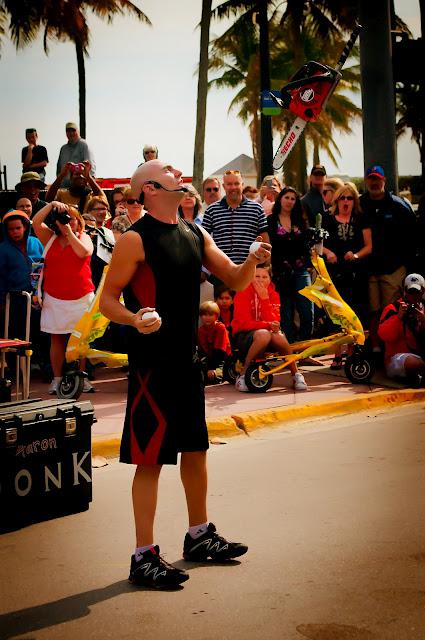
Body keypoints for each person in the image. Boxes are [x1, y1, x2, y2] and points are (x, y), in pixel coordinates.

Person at [99, 158, 271, 590]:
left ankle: (199, 535)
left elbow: (232, 277)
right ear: (151, 188)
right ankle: (144, 557)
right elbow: (107, 301)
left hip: (187, 359)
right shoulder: (134, 240)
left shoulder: (196, 231)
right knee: (150, 458)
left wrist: (253, 257)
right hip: (151, 365)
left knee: (196, 448)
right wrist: (135, 318)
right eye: (168, 169)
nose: (179, 171)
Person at [32, 201, 95, 394]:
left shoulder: (84, 237)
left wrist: (69, 232)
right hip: (54, 297)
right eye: (65, 219)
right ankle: (57, 379)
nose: (69, 222)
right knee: (57, 339)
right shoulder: (49, 238)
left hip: (82, 297)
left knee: (82, 339)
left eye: (73, 219)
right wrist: (51, 205)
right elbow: (35, 222)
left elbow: (83, 252)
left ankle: (82, 377)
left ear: (79, 222)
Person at [359, 165, 417, 364]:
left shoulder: (399, 206)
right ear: (366, 181)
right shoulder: (361, 204)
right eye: (371, 179)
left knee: (391, 310)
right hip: (369, 269)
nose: (374, 183)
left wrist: (407, 265)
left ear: (384, 181)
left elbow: (412, 238)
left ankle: (391, 351)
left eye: (378, 179)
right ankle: (376, 350)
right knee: (373, 312)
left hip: (393, 269)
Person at [231, 266, 308, 392]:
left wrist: (265, 299)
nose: (261, 280)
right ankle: (243, 374)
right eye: (257, 276)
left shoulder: (273, 295)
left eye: (264, 277)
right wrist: (267, 325)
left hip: (268, 335)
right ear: (251, 278)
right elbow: (244, 323)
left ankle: (296, 375)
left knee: (278, 335)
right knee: (264, 334)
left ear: (270, 279)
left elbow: (275, 322)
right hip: (244, 335)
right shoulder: (242, 292)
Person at [322, 182, 372, 369]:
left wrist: (356, 255)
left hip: (355, 273)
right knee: (336, 314)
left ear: (354, 201)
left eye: (349, 198)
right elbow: (318, 243)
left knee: (353, 314)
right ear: (337, 200)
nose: (345, 201)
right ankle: (336, 354)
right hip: (335, 273)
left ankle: (350, 355)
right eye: (342, 197)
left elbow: (369, 246)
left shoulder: (361, 219)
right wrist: (328, 252)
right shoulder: (328, 219)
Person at [0, 210, 49, 376]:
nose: (15, 232)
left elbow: (45, 265)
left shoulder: (35, 242)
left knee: (41, 332)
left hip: (37, 296)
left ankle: (43, 366)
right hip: (15, 299)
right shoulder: (3, 249)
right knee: (17, 334)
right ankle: (18, 371)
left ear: (25, 227)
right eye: (11, 229)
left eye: (18, 228)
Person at [267, 187, 314, 343]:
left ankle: (306, 348)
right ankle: (290, 348)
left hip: (301, 271)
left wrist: (308, 264)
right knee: (285, 313)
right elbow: (270, 246)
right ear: (280, 198)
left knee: (307, 311)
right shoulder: (271, 220)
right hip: (281, 273)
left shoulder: (301, 220)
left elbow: (307, 244)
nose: (289, 201)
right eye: (286, 197)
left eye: (293, 198)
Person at [202, 170, 270, 265]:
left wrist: (266, 265)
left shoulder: (257, 209)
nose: (233, 187)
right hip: (221, 270)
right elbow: (203, 242)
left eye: (236, 183)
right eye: (229, 184)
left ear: (242, 184)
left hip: (249, 269)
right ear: (224, 186)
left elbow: (265, 241)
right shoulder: (211, 210)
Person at [378, 273, 425, 385]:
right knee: (413, 363)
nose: (413, 295)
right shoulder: (392, 308)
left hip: (421, 355)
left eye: (417, 292)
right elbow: (385, 336)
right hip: (398, 358)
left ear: (423, 291)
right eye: (410, 291)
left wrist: (423, 321)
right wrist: (398, 317)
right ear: (404, 291)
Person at [198, 301, 231, 384]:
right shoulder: (200, 330)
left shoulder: (220, 328)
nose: (207, 318)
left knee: (215, 377)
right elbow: (202, 350)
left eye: (210, 315)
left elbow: (220, 351)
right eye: (204, 315)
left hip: (222, 359)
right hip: (208, 359)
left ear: (217, 316)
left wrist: (211, 367)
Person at [56, 122, 96, 187]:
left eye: (73, 130)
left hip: (80, 187)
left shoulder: (84, 145)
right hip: (65, 187)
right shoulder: (63, 148)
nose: (71, 133)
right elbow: (59, 169)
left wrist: (89, 184)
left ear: (78, 131)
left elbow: (90, 166)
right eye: (68, 131)